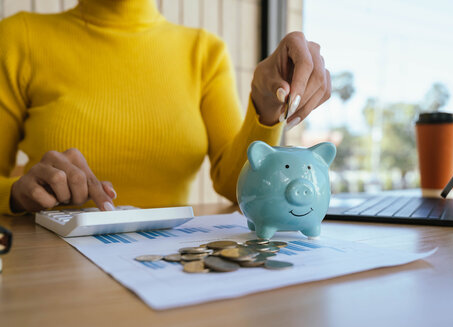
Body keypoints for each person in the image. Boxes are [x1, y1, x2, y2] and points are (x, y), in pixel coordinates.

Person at [0, 0, 330, 215]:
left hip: (169, 266)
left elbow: (236, 187)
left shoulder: (204, 52)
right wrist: (16, 193)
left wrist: (265, 103)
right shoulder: (18, 38)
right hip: (52, 267)